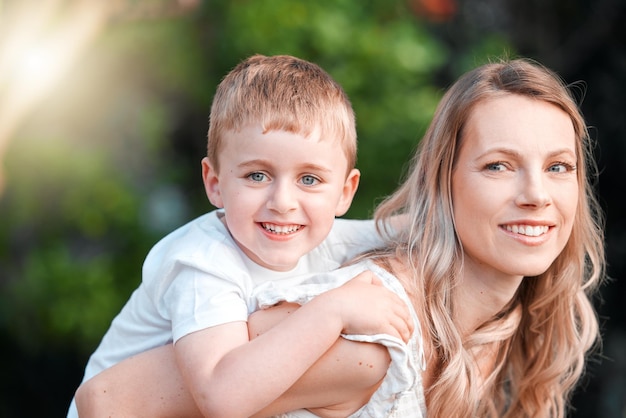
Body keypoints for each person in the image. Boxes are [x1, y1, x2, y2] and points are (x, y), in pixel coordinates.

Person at [76, 57, 605, 417]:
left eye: (559, 167)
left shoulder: (486, 326)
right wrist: (330, 313)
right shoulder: (365, 338)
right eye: (498, 166)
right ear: (442, 184)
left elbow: (393, 227)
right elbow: (106, 399)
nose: (537, 194)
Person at [68, 54, 415, 418]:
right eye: (257, 176)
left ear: (345, 192)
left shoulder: (323, 236)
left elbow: (413, 229)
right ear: (215, 184)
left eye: (309, 179)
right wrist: (333, 311)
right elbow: (221, 396)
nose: (283, 203)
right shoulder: (203, 264)